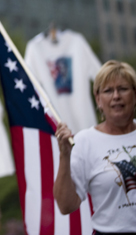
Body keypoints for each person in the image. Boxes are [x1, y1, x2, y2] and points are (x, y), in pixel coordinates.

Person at [54, 60, 136, 233]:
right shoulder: (85, 141)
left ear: (134, 95)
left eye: (123, 89)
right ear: (98, 99)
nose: (116, 96)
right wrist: (65, 156)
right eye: (108, 91)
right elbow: (66, 205)